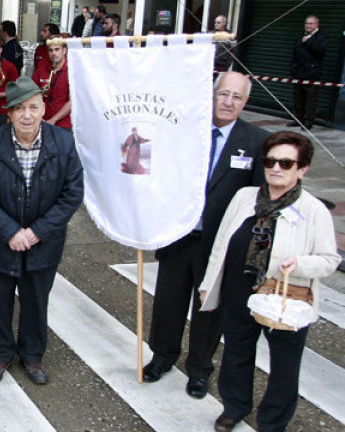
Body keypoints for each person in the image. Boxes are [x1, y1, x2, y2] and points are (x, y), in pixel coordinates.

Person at [198, 131, 340, 432]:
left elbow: (330, 260)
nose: (276, 168)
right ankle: (234, 407)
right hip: (239, 290)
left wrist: (300, 263)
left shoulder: (313, 210)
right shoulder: (245, 197)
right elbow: (222, 243)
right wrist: (209, 283)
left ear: (302, 169)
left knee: (284, 367)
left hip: (285, 297)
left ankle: (273, 422)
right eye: (271, 161)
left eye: (286, 163)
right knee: (236, 354)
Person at [143, 72, 270, 400]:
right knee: (168, 302)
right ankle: (162, 356)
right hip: (180, 235)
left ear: (244, 102)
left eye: (237, 97)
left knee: (210, 310)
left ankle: (199, 369)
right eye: (223, 94)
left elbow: (259, 201)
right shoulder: (187, 130)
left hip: (221, 245)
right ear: (212, 95)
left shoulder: (256, 142)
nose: (228, 102)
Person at [0, 76, 83, 385]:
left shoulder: (64, 143)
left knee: (35, 301)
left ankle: (32, 356)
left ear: (44, 108)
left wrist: (35, 233)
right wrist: (11, 232)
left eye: (33, 107)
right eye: (19, 109)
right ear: (9, 113)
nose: (27, 115)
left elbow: (72, 194)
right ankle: (1, 353)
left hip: (43, 243)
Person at [288, 15, 328, 130]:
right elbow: (295, 52)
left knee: (310, 99)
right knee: (298, 97)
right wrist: (293, 68)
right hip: (299, 72)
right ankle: (297, 119)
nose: (308, 26)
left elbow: (320, 51)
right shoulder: (301, 36)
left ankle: (308, 121)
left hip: (312, 73)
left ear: (317, 25)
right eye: (306, 23)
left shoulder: (322, 37)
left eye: (311, 24)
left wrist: (309, 42)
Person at [32, 37, 71, 130]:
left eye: (57, 49)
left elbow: (72, 102)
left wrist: (53, 120)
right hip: (42, 122)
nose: (53, 53)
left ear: (64, 51)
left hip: (64, 125)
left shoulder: (71, 72)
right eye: (50, 50)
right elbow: (32, 95)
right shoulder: (41, 70)